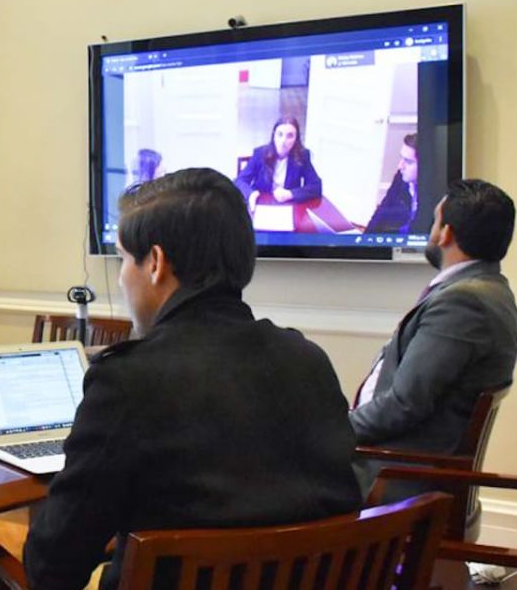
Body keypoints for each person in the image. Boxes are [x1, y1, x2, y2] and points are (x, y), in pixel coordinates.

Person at [23, 168, 362, 590]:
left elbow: (53, 564)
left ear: (156, 264)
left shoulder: (128, 382)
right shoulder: (309, 360)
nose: (123, 276)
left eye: (125, 259)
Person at [351, 179, 517, 498]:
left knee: (275, 474)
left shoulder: (462, 303)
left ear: (446, 233)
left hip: (395, 479)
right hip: (403, 465)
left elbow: (403, 405)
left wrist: (333, 432)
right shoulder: (490, 289)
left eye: (435, 220)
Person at [234, 117, 323, 209]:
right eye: (280, 134)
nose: (283, 141)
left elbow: (316, 186)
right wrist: (251, 194)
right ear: (274, 135)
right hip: (262, 203)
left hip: (288, 205)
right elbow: (239, 180)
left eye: (290, 136)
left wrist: (291, 194)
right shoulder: (260, 154)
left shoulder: (302, 156)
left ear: (296, 139)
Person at [365, 134, 420, 233]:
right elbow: (382, 211)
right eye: (401, 158)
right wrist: (364, 241)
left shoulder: (436, 193)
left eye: (408, 161)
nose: (400, 166)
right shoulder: (401, 177)